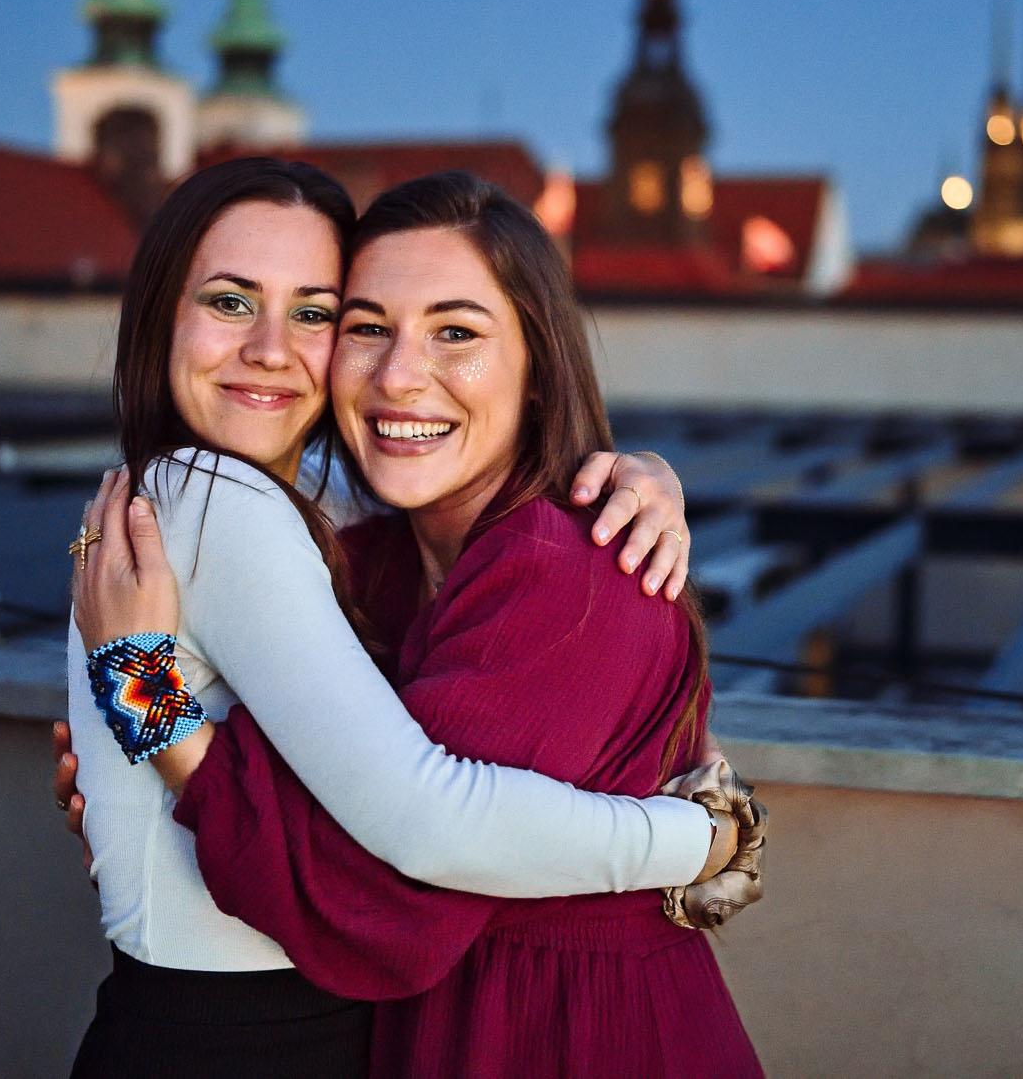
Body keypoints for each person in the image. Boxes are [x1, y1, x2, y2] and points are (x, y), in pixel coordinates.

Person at [60, 158, 758, 1078]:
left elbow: (395, 887)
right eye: (364, 326)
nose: (399, 375)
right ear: (159, 314)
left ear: (539, 368)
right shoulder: (360, 550)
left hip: (567, 1037)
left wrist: (152, 719)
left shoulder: (568, 569)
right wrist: (702, 838)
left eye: (311, 311)